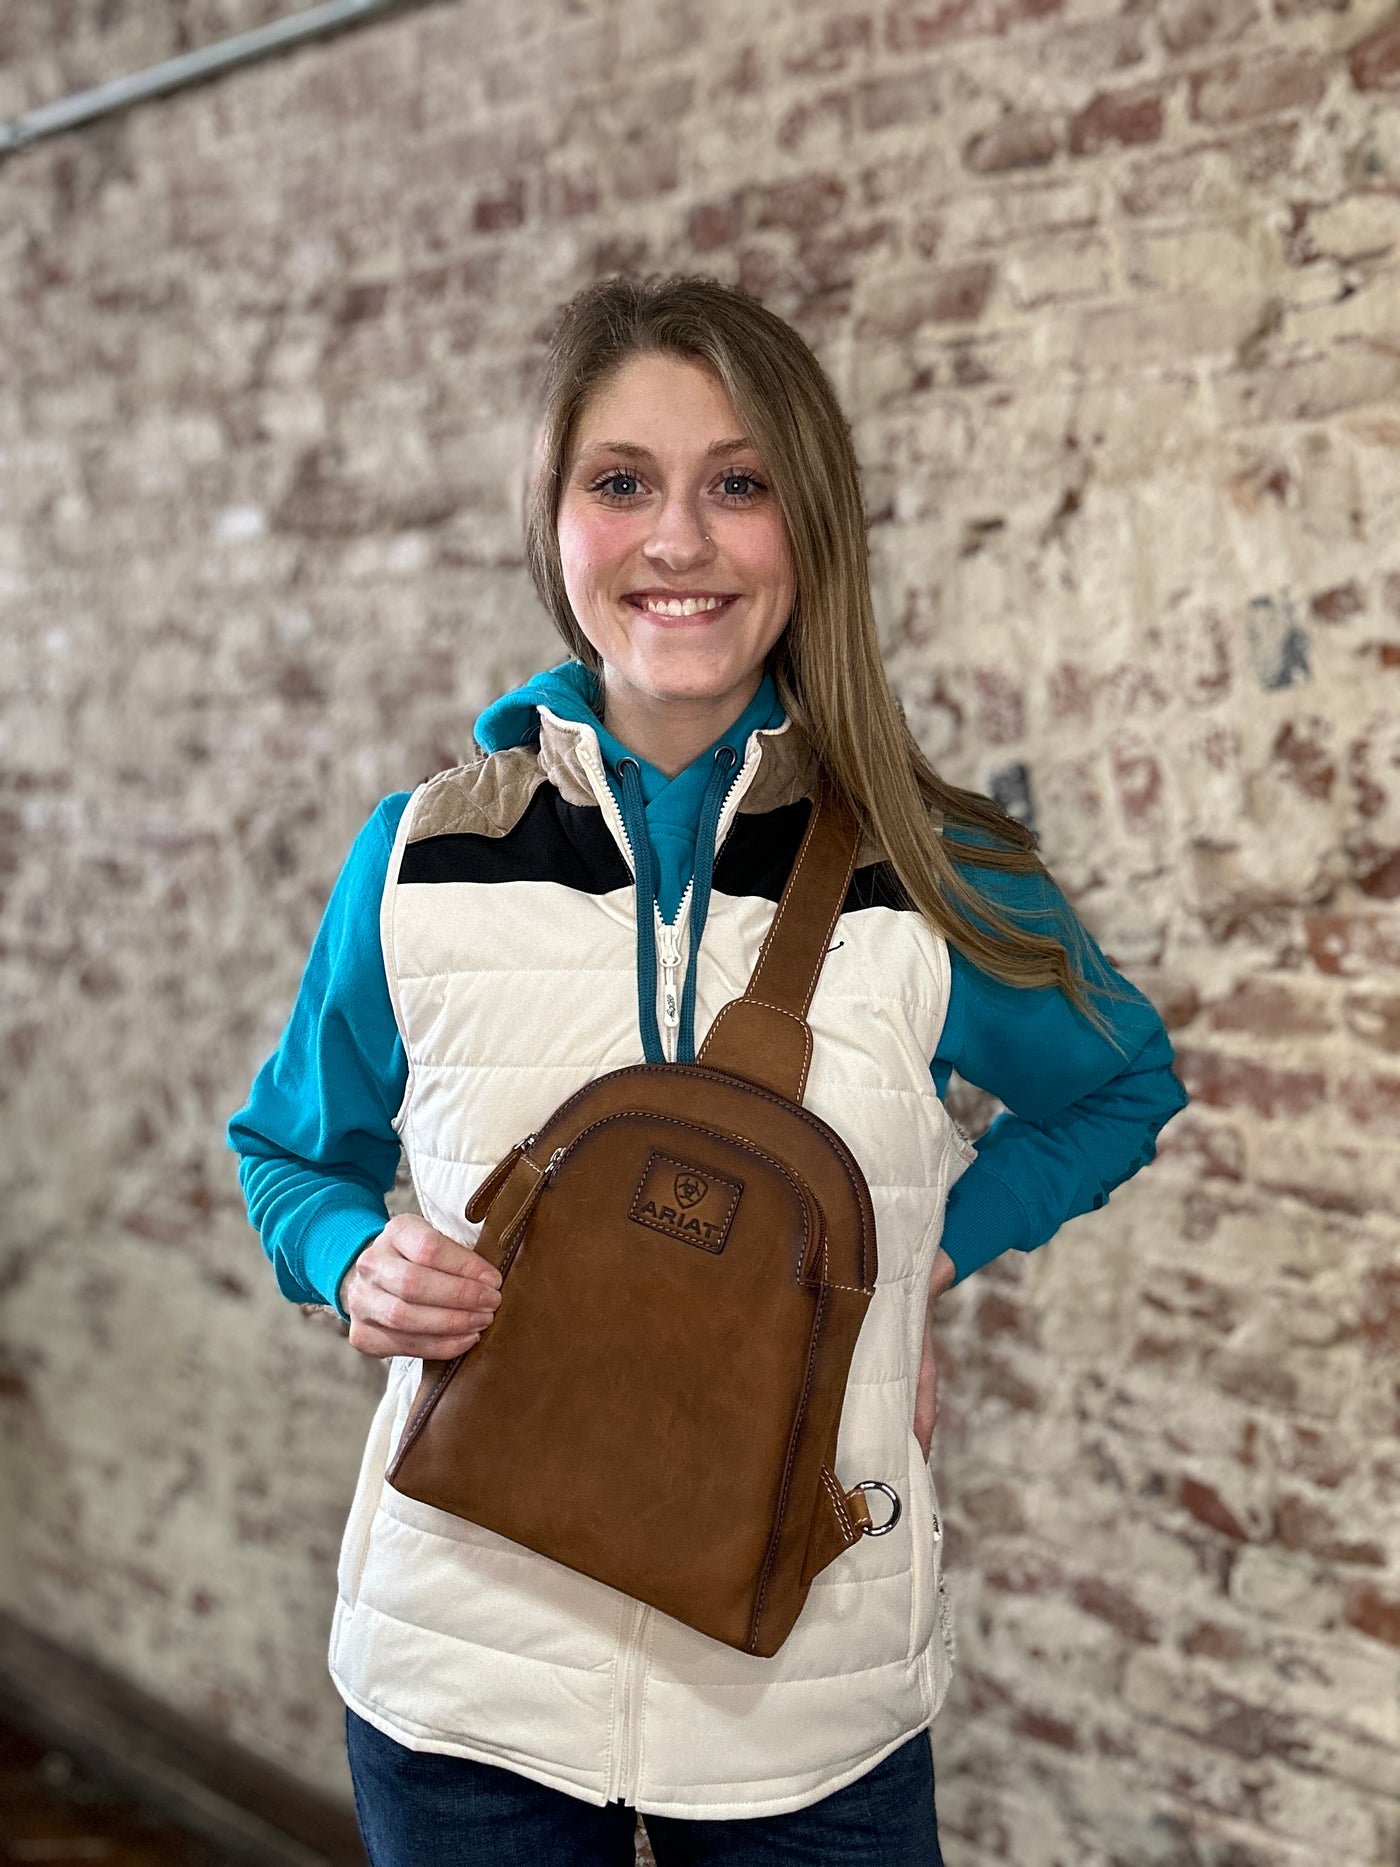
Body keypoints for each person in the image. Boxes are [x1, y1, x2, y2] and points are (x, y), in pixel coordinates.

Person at [228, 274, 1187, 1866]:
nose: (678, 541)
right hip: (463, 1685)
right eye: (622, 484)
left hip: (807, 1708)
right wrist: (350, 1257)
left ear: (808, 526)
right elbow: (287, 1153)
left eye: (737, 485)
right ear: (555, 523)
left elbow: (1119, 1084)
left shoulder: (932, 868)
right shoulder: (418, 857)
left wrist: (927, 1253)